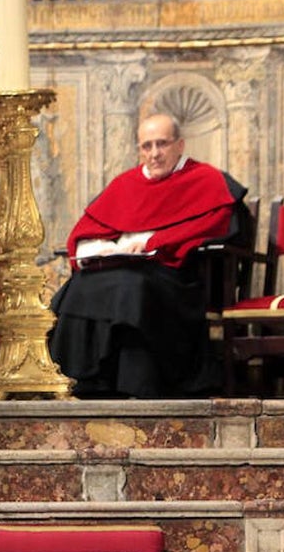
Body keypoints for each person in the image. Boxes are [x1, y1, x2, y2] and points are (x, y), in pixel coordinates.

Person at [48, 112, 246, 399]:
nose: (154, 154)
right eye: (146, 146)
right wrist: (98, 247)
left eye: (162, 144)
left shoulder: (204, 179)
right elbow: (85, 230)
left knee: (131, 287)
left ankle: (137, 385)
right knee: (79, 287)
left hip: (175, 276)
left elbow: (214, 223)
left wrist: (154, 241)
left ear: (180, 145)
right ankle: (85, 384)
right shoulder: (125, 183)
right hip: (125, 268)